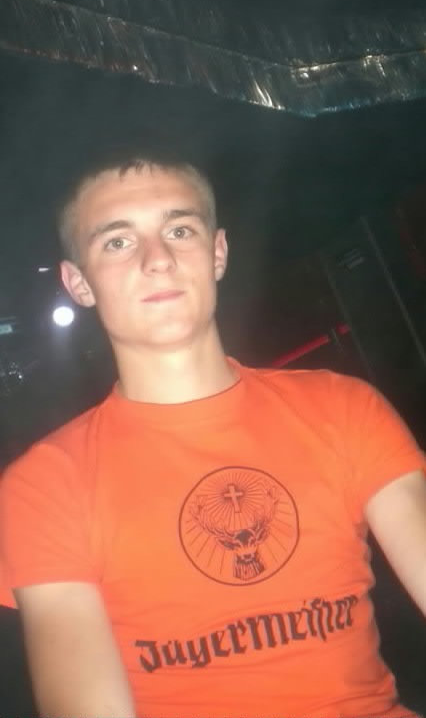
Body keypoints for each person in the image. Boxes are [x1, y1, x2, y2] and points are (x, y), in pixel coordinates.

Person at [0, 152, 426, 718]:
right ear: (79, 282)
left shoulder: (343, 408)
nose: (158, 259)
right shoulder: (43, 485)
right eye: (118, 242)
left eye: (180, 230)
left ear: (217, 252)